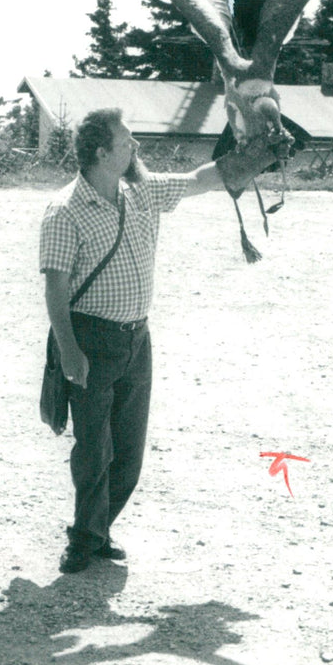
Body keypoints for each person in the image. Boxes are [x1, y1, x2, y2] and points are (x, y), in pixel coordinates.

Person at [40, 107, 288, 573]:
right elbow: (54, 288)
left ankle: (98, 529)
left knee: (128, 451)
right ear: (102, 153)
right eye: (127, 140)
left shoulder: (143, 191)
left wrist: (256, 155)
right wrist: (69, 350)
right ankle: (84, 538)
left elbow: (200, 179)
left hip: (137, 339)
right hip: (90, 339)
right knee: (93, 449)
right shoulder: (64, 210)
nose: (136, 146)